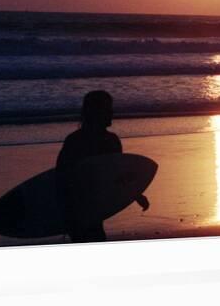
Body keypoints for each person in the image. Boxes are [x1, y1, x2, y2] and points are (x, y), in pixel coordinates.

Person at [56, 90, 150, 243]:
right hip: (81, 207)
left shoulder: (82, 139)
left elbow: (118, 174)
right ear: (96, 112)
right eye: (108, 109)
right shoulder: (80, 141)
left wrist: (136, 194)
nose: (112, 112)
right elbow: (63, 176)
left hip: (92, 207)